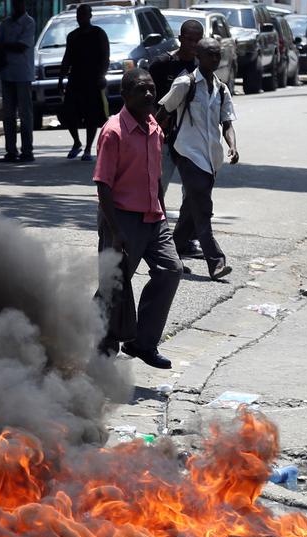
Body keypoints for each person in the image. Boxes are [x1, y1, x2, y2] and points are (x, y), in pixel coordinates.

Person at [93, 68, 181, 370]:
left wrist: (164, 215)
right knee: (113, 284)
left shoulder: (154, 126)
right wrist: (115, 232)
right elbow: (103, 184)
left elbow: (155, 178)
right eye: (141, 90)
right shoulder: (113, 130)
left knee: (171, 270)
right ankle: (97, 344)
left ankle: (142, 342)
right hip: (121, 217)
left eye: (151, 89)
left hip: (153, 217)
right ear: (126, 95)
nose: (148, 95)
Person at [159, 38, 238, 282]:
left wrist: (232, 145)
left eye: (217, 55)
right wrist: (149, 143)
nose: (215, 59)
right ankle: (216, 261)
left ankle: (171, 253)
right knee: (203, 209)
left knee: (190, 213)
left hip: (211, 158)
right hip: (188, 153)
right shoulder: (185, 83)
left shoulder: (221, 89)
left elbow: (227, 123)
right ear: (199, 57)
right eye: (210, 55)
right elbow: (163, 112)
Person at [149, 19, 202, 203]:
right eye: (190, 40)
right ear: (180, 39)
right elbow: (147, 99)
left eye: (198, 40)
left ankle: (185, 231)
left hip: (191, 141)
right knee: (157, 189)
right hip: (164, 138)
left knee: (192, 193)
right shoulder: (162, 64)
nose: (194, 44)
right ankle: (153, 228)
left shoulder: (202, 68)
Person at [59, 4, 109, 161]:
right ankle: (76, 142)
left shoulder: (98, 34)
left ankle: (88, 148)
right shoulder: (73, 36)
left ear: (90, 16)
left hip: (93, 80)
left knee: (91, 116)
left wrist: (101, 76)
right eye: (79, 15)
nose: (81, 18)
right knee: (69, 114)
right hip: (75, 80)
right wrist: (61, 79)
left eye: (84, 15)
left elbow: (105, 57)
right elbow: (67, 58)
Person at [0, 0, 35, 163]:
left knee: (25, 114)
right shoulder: (5, 23)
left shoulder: (29, 22)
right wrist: (6, 46)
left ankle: (27, 151)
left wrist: (5, 45)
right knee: (8, 115)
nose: (16, 7)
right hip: (7, 74)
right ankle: (11, 151)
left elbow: (21, 46)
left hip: (23, 74)